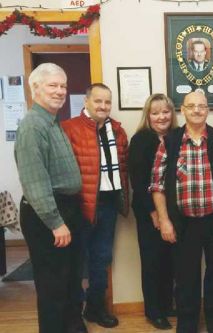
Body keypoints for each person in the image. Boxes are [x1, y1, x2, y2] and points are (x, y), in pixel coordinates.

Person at [150, 91, 213, 333]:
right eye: (191, 106)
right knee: (185, 280)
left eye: (201, 106)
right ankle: (187, 326)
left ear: (207, 110)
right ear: (182, 110)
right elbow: (157, 185)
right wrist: (164, 220)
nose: (196, 110)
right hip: (183, 225)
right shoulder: (169, 143)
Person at [14, 63, 86, 333]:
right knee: (53, 286)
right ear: (35, 89)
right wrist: (55, 222)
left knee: (69, 280)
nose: (60, 91)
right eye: (53, 85)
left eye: (63, 85)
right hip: (48, 213)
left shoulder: (52, 122)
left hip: (66, 208)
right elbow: (34, 181)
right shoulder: (33, 126)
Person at [61, 83, 129, 328]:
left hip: (108, 204)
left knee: (101, 258)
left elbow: (123, 167)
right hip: (79, 206)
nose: (103, 106)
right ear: (86, 102)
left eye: (107, 102)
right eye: (98, 101)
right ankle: (73, 314)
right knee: (77, 260)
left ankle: (95, 308)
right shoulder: (69, 128)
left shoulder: (118, 131)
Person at [129, 94, 178, 330]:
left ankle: (168, 303)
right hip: (149, 211)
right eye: (156, 112)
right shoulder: (141, 140)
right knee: (152, 261)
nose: (162, 117)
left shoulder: (178, 137)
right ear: (148, 116)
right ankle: (154, 310)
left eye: (166, 111)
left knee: (170, 260)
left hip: (175, 211)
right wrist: (154, 213)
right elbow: (138, 182)